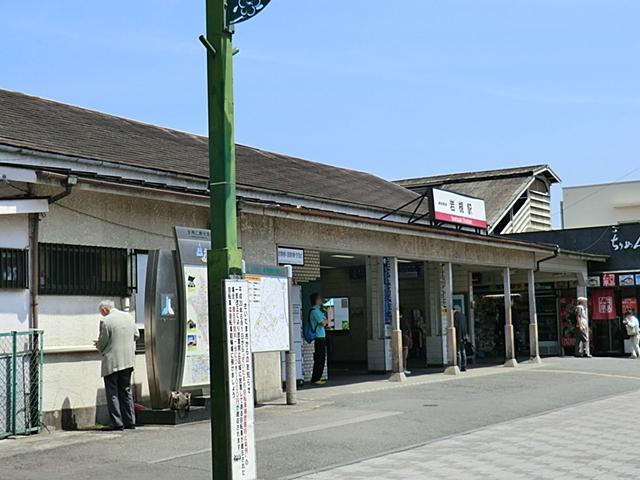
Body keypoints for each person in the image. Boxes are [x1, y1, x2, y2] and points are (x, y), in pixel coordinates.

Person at [95, 300, 140, 430]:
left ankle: (117, 422)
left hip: (112, 362)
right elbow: (136, 335)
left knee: (112, 392)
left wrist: (98, 345)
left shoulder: (106, 321)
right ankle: (130, 421)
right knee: (126, 390)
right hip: (128, 360)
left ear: (104, 310)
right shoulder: (128, 317)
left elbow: (102, 343)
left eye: (101, 312)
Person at [309, 293, 327, 385]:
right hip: (319, 337)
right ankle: (316, 378)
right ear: (316, 300)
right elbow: (323, 323)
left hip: (321, 337)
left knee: (321, 358)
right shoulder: (315, 311)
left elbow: (325, 321)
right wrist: (324, 321)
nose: (321, 300)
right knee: (319, 358)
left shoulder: (318, 310)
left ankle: (317, 377)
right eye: (320, 298)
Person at [454, 305, 468, 372]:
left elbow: (455, 326)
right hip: (463, 336)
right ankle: (464, 366)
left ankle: (458, 367)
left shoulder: (455, 316)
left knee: (458, 352)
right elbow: (465, 326)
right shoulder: (463, 316)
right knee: (463, 351)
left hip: (457, 336)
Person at [400, 308, 412, 375]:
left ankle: (402, 368)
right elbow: (407, 331)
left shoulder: (396, 321)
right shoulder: (404, 321)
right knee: (404, 356)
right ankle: (404, 368)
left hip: (402, 340)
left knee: (401, 355)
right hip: (404, 340)